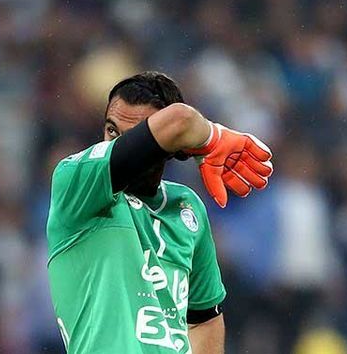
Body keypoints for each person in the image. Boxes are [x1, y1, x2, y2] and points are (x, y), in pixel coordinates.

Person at [46, 72, 273, 353]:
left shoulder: (187, 206)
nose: (119, 146)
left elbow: (204, 319)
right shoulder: (77, 185)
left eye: (139, 136)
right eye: (112, 131)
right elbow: (181, 119)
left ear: (171, 148)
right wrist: (213, 138)